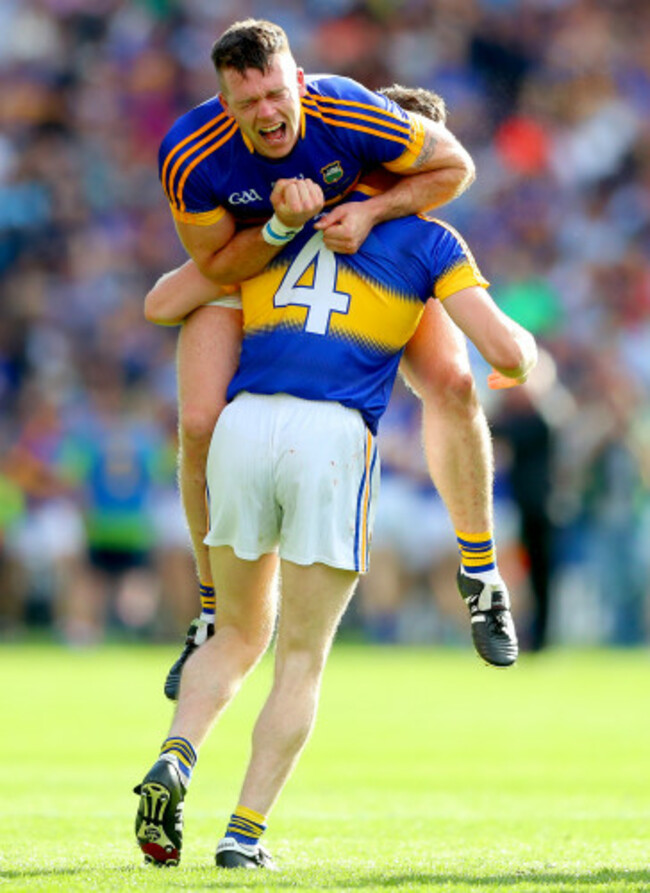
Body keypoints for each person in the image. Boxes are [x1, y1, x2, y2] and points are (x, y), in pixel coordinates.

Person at [134, 100, 537, 869]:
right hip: (332, 438)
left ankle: (177, 756)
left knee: (237, 635)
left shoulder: (271, 227)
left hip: (244, 426)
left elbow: (163, 303)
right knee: (301, 657)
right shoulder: (428, 237)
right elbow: (496, 355)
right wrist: (526, 350)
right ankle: (242, 835)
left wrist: (270, 239)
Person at [156, 19, 507, 698]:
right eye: (248, 102)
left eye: (275, 95)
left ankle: (481, 571)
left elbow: (454, 167)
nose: (267, 113)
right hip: (248, 262)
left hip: (344, 266)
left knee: (455, 383)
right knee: (199, 420)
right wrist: (282, 228)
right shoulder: (193, 153)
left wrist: (373, 215)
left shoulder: (362, 131)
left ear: (299, 82)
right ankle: (207, 609)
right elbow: (183, 283)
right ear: (226, 102)